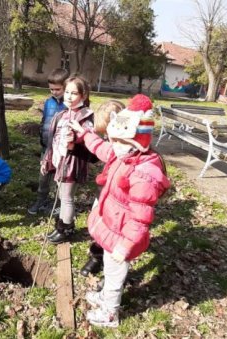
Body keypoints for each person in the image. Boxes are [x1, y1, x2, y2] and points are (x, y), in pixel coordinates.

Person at [69, 94, 170, 327]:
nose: (114, 146)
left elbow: (140, 219)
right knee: (109, 266)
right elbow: (102, 148)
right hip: (113, 226)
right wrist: (84, 133)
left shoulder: (143, 174)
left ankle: (110, 313)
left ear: (138, 142)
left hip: (123, 235)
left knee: (115, 274)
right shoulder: (122, 153)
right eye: (113, 140)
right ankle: (105, 297)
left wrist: (126, 246)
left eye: (120, 142)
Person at [41, 75, 95, 244]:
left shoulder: (85, 116)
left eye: (74, 93)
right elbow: (53, 139)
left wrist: (76, 141)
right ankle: (62, 223)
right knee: (61, 193)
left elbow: (89, 140)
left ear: (83, 96)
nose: (69, 97)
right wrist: (47, 160)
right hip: (60, 160)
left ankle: (66, 228)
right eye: (67, 93)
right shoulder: (63, 114)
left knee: (67, 197)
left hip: (72, 162)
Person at [80, 99, 125, 277]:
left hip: (120, 203)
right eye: (105, 135)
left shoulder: (129, 149)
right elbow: (98, 148)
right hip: (105, 194)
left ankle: (112, 272)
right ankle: (97, 256)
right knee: (99, 225)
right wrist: (83, 134)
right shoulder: (112, 145)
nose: (107, 139)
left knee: (114, 234)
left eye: (108, 134)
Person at [28, 68, 69, 215]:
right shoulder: (48, 103)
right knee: (43, 176)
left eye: (57, 89)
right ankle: (41, 199)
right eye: (51, 89)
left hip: (62, 151)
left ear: (66, 87)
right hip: (46, 148)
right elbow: (44, 120)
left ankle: (59, 204)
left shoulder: (70, 105)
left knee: (60, 179)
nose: (54, 92)